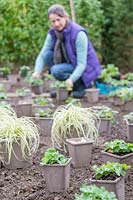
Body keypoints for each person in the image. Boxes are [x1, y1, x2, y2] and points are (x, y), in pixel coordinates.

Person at [32, 4, 101, 98]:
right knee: (48, 55)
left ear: (65, 17)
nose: (56, 24)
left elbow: (82, 64)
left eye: (58, 20)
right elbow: (42, 54)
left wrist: (72, 79)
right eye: (53, 21)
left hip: (86, 68)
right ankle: (65, 88)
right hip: (71, 63)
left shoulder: (78, 33)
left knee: (56, 70)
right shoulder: (53, 33)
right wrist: (37, 71)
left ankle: (80, 85)